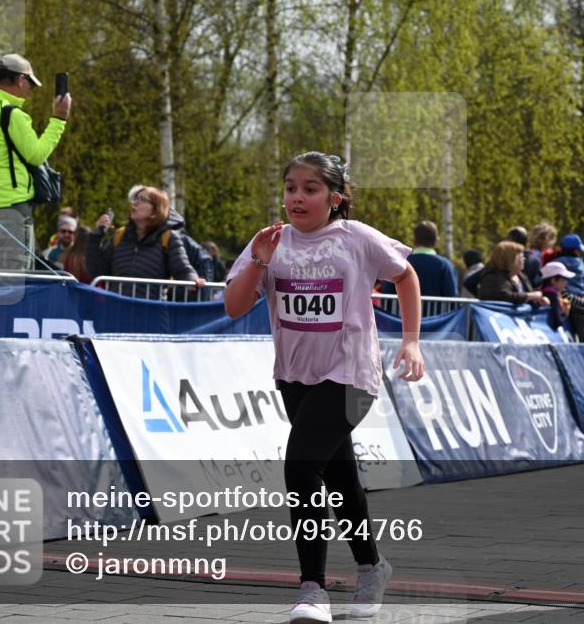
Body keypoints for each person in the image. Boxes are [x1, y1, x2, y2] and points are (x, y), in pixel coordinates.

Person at [224, 151, 424, 623]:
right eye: (290, 188)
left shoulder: (357, 238)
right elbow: (233, 306)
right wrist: (258, 261)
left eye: (310, 189)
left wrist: (412, 341)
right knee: (339, 477)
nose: (297, 197)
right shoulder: (270, 241)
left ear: (334, 199)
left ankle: (312, 589)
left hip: (352, 376)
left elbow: (406, 275)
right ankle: (372, 566)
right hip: (295, 376)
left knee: (300, 467)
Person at [0, 53, 71, 270]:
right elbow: (36, 155)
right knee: (16, 280)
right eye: (30, 84)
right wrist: (59, 120)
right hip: (13, 211)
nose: (30, 90)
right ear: (20, 80)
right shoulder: (13, 114)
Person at [87, 186, 206, 299]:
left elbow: (183, 270)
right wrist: (96, 236)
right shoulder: (120, 235)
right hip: (117, 310)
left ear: (155, 211)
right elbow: (97, 271)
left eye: (141, 199)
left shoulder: (168, 237)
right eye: (135, 198)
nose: (134, 203)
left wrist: (193, 280)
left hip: (150, 311)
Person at [380, 220, 458, 297]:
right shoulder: (445, 265)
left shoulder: (400, 261)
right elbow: (452, 295)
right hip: (439, 306)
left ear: (414, 240)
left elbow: (387, 292)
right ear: (436, 241)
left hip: (402, 306)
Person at [476, 241, 550, 307]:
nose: (524, 259)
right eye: (520, 257)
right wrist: (529, 296)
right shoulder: (493, 277)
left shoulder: (521, 275)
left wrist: (539, 300)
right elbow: (503, 296)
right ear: (509, 259)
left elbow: (529, 297)